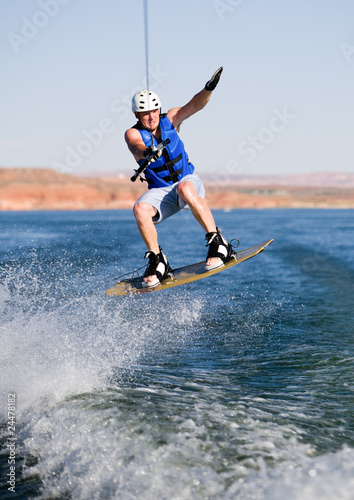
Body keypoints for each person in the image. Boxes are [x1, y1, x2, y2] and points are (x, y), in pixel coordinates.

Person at [125, 67, 236, 287]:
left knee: (184, 189)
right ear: (137, 115)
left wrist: (209, 88)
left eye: (154, 111)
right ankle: (158, 262)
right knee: (140, 209)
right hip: (160, 191)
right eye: (145, 113)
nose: (151, 117)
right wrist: (147, 152)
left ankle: (218, 242)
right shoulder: (133, 133)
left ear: (159, 109)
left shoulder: (172, 118)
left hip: (186, 181)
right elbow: (136, 147)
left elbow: (195, 104)